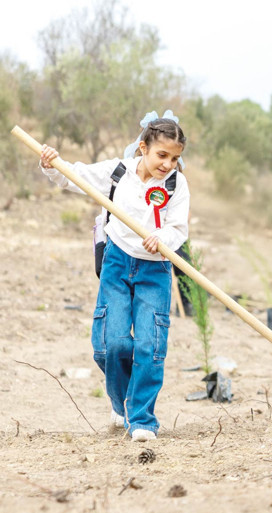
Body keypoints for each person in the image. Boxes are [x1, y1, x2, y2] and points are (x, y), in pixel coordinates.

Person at [39, 111, 189, 442]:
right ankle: (122, 401)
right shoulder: (117, 172)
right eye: (162, 155)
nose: (168, 164)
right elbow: (73, 176)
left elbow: (179, 228)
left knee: (150, 345)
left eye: (174, 158)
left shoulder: (176, 184)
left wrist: (162, 238)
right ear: (143, 148)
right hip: (117, 261)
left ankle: (142, 419)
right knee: (112, 345)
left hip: (155, 269)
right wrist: (51, 164)